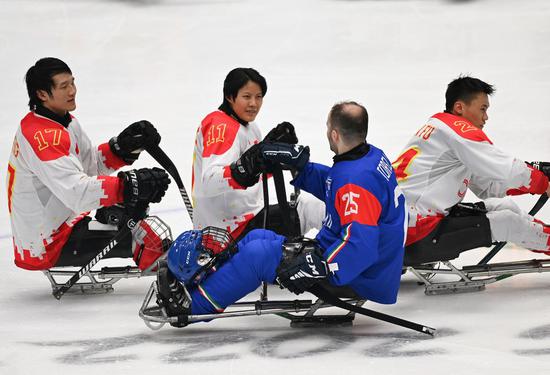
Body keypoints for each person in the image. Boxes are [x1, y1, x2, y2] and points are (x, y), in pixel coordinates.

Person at [155, 101, 407, 326]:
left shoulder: (355, 181)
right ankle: (202, 285)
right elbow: (337, 186)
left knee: (258, 256)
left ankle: (192, 307)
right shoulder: (368, 157)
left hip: (358, 273)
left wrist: (321, 266)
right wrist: (300, 168)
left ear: (334, 134)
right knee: (258, 238)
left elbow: (360, 245)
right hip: (351, 259)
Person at [6, 57, 171, 271]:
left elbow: (88, 166)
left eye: (72, 83)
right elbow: (77, 193)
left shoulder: (62, 121)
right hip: (49, 243)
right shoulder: (43, 137)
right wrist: (128, 186)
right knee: (147, 240)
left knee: (130, 210)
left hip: (61, 223)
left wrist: (122, 148)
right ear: (42, 94)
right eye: (64, 86)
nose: (72, 91)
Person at [392, 76, 550, 265]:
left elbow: (489, 185)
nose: (486, 117)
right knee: (508, 221)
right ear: (460, 108)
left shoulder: (442, 130)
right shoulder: (458, 131)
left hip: (407, 223)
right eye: (482, 109)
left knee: (505, 208)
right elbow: (508, 169)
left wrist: (538, 181)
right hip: (416, 232)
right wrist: (542, 182)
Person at [191, 67, 324, 241]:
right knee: (310, 209)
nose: (253, 103)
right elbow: (209, 180)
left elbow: (250, 174)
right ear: (230, 97)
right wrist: (245, 167)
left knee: (309, 208)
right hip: (227, 234)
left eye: (258, 97)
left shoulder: (249, 126)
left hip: (246, 220)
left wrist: (273, 156)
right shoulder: (221, 126)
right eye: (247, 97)